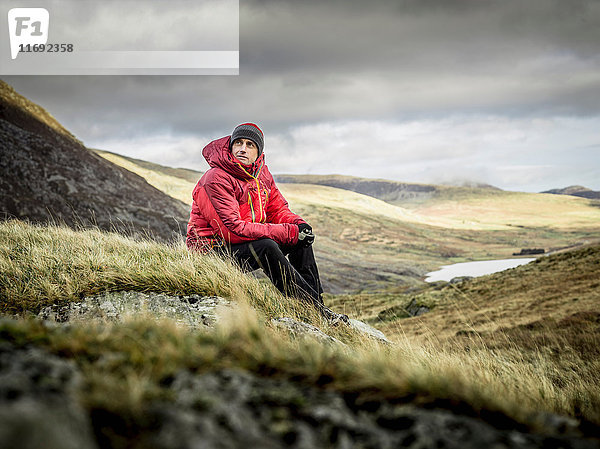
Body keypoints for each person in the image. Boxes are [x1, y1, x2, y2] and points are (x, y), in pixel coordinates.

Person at [187, 123, 348, 324]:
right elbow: (232, 230)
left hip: (242, 243)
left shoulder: (261, 174)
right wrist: (288, 232)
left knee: (301, 240)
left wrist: (299, 225)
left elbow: (277, 209)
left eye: (249, 145)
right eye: (237, 143)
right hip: (212, 252)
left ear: (259, 151)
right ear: (230, 146)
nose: (242, 149)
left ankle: (317, 307)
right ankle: (316, 311)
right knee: (266, 246)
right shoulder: (216, 178)